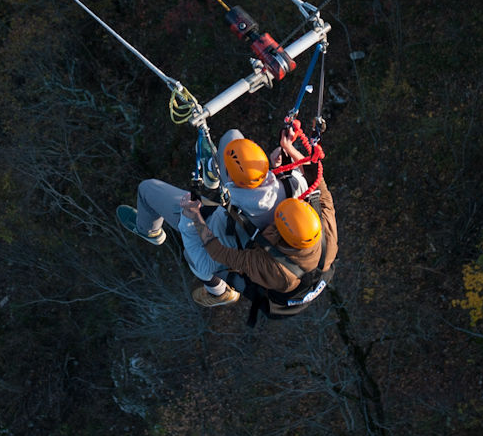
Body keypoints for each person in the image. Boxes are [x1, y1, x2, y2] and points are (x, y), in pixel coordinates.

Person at [117, 130, 292, 301]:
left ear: (230, 179)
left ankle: (150, 231)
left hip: (213, 230)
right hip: (242, 220)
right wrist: (286, 155)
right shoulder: (294, 183)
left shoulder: (228, 231)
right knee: (232, 137)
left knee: (147, 189)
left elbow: (203, 264)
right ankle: (212, 174)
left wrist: (189, 216)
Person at [185, 176, 336, 313]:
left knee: (199, 263)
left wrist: (196, 217)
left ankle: (219, 293)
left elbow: (218, 252)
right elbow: (320, 185)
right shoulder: (326, 231)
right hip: (309, 271)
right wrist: (288, 152)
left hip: (277, 285)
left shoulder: (273, 268)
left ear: (281, 237)